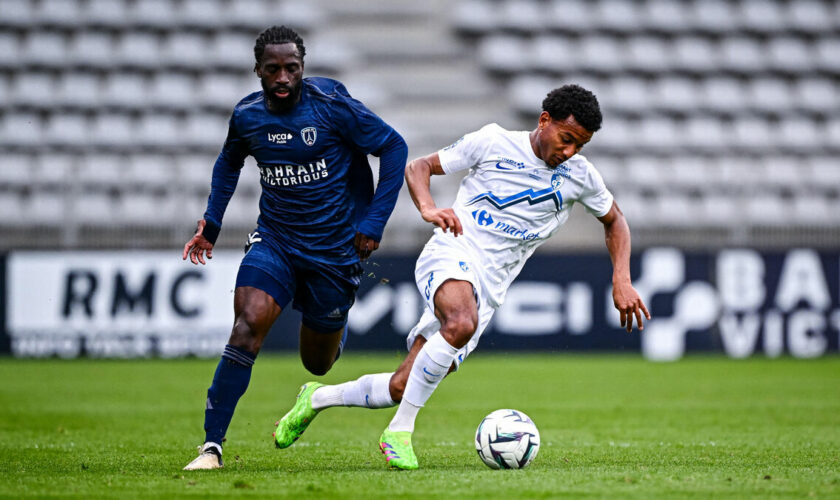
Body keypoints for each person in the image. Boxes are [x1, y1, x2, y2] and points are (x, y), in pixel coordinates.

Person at [271, 84, 650, 470]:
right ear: (544, 121)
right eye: (566, 139)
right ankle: (399, 432)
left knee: (403, 385)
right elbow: (419, 167)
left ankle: (316, 398)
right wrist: (429, 208)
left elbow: (615, 220)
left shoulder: (579, 176)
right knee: (460, 321)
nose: (569, 152)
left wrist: (621, 278)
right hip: (452, 251)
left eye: (579, 146)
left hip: (489, 289)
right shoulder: (493, 142)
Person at [181, 25, 408, 470]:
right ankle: (212, 447)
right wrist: (211, 223)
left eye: (291, 68)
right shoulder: (247, 116)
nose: (283, 77)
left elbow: (394, 147)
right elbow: (228, 162)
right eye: (273, 69)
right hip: (277, 240)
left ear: (302, 68)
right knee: (247, 325)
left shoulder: (332, 106)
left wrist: (373, 221)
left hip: (336, 250)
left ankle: (330, 334)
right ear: (258, 71)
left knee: (317, 365)